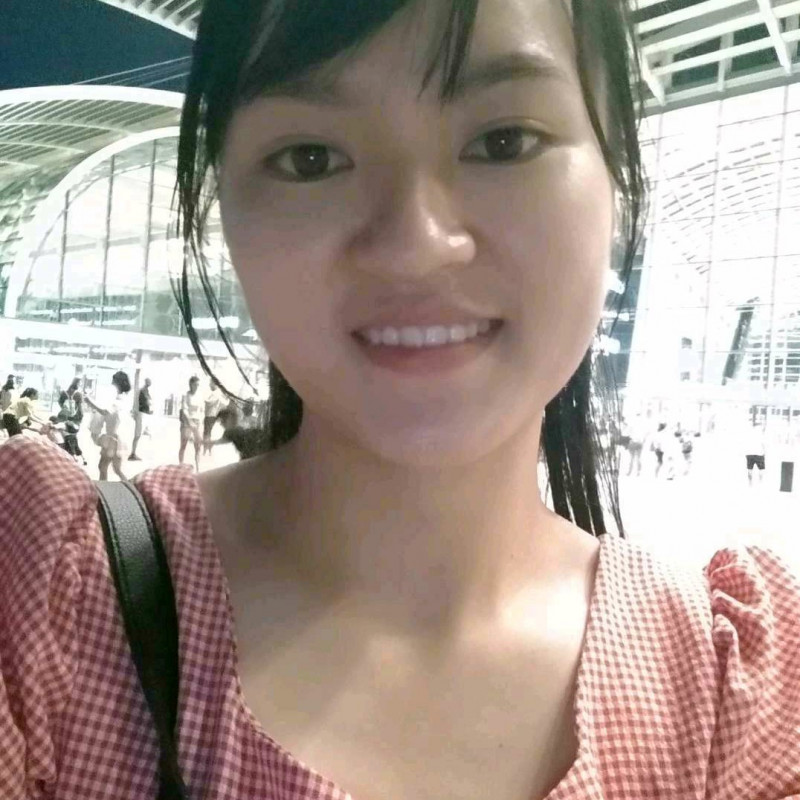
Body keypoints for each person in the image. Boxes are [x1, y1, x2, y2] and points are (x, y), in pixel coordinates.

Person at [1, 2, 799, 798]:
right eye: (311, 158)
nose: (415, 245)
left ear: (618, 177)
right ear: (222, 210)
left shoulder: (731, 700)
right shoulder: (47, 609)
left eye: (504, 141)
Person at [83, 370, 132, 481]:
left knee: (103, 466)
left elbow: (105, 411)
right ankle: (130, 486)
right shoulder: (122, 399)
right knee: (116, 469)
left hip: (113, 438)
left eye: (114, 381)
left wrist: (89, 402)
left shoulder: (119, 400)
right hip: (117, 438)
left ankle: (104, 488)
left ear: (117, 383)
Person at [178, 375, 203, 471]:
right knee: (183, 445)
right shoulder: (186, 395)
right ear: (191, 384)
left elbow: (201, 410)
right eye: (195, 384)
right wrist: (190, 422)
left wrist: (200, 422)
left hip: (197, 422)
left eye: (198, 385)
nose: (197, 387)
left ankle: (198, 469)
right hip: (187, 422)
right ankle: (180, 466)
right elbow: (184, 410)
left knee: (198, 446)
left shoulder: (200, 396)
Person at [129, 377, 153, 461]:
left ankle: (135, 452)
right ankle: (133, 453)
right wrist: (134, 413)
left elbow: (148, 402)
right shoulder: (142, 391)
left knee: (143, 432)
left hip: (145, 414)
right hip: (141, 414)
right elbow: (139, 402)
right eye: (149, 381)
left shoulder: (146, 391)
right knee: (137, 435)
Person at [202, 377, 226, 455]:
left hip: (211, 415)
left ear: (214, 384)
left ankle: (207, 449)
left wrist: (203, 398)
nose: (209, 385)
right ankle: (208, 449)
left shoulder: (216, 393)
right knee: (207, 432)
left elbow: (209, 402)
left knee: (207, 433)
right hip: (210, 415)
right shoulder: (216, 393)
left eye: (210, 383)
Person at [744, 421, 767, 487]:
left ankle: (750, 483)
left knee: (750, 469)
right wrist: (765, 452)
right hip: (759, 453)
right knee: (761, 469)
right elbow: (764, 444)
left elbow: (745, 443)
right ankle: (760, 483)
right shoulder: (761, 434)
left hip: (749, 453)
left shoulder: (748, 433)